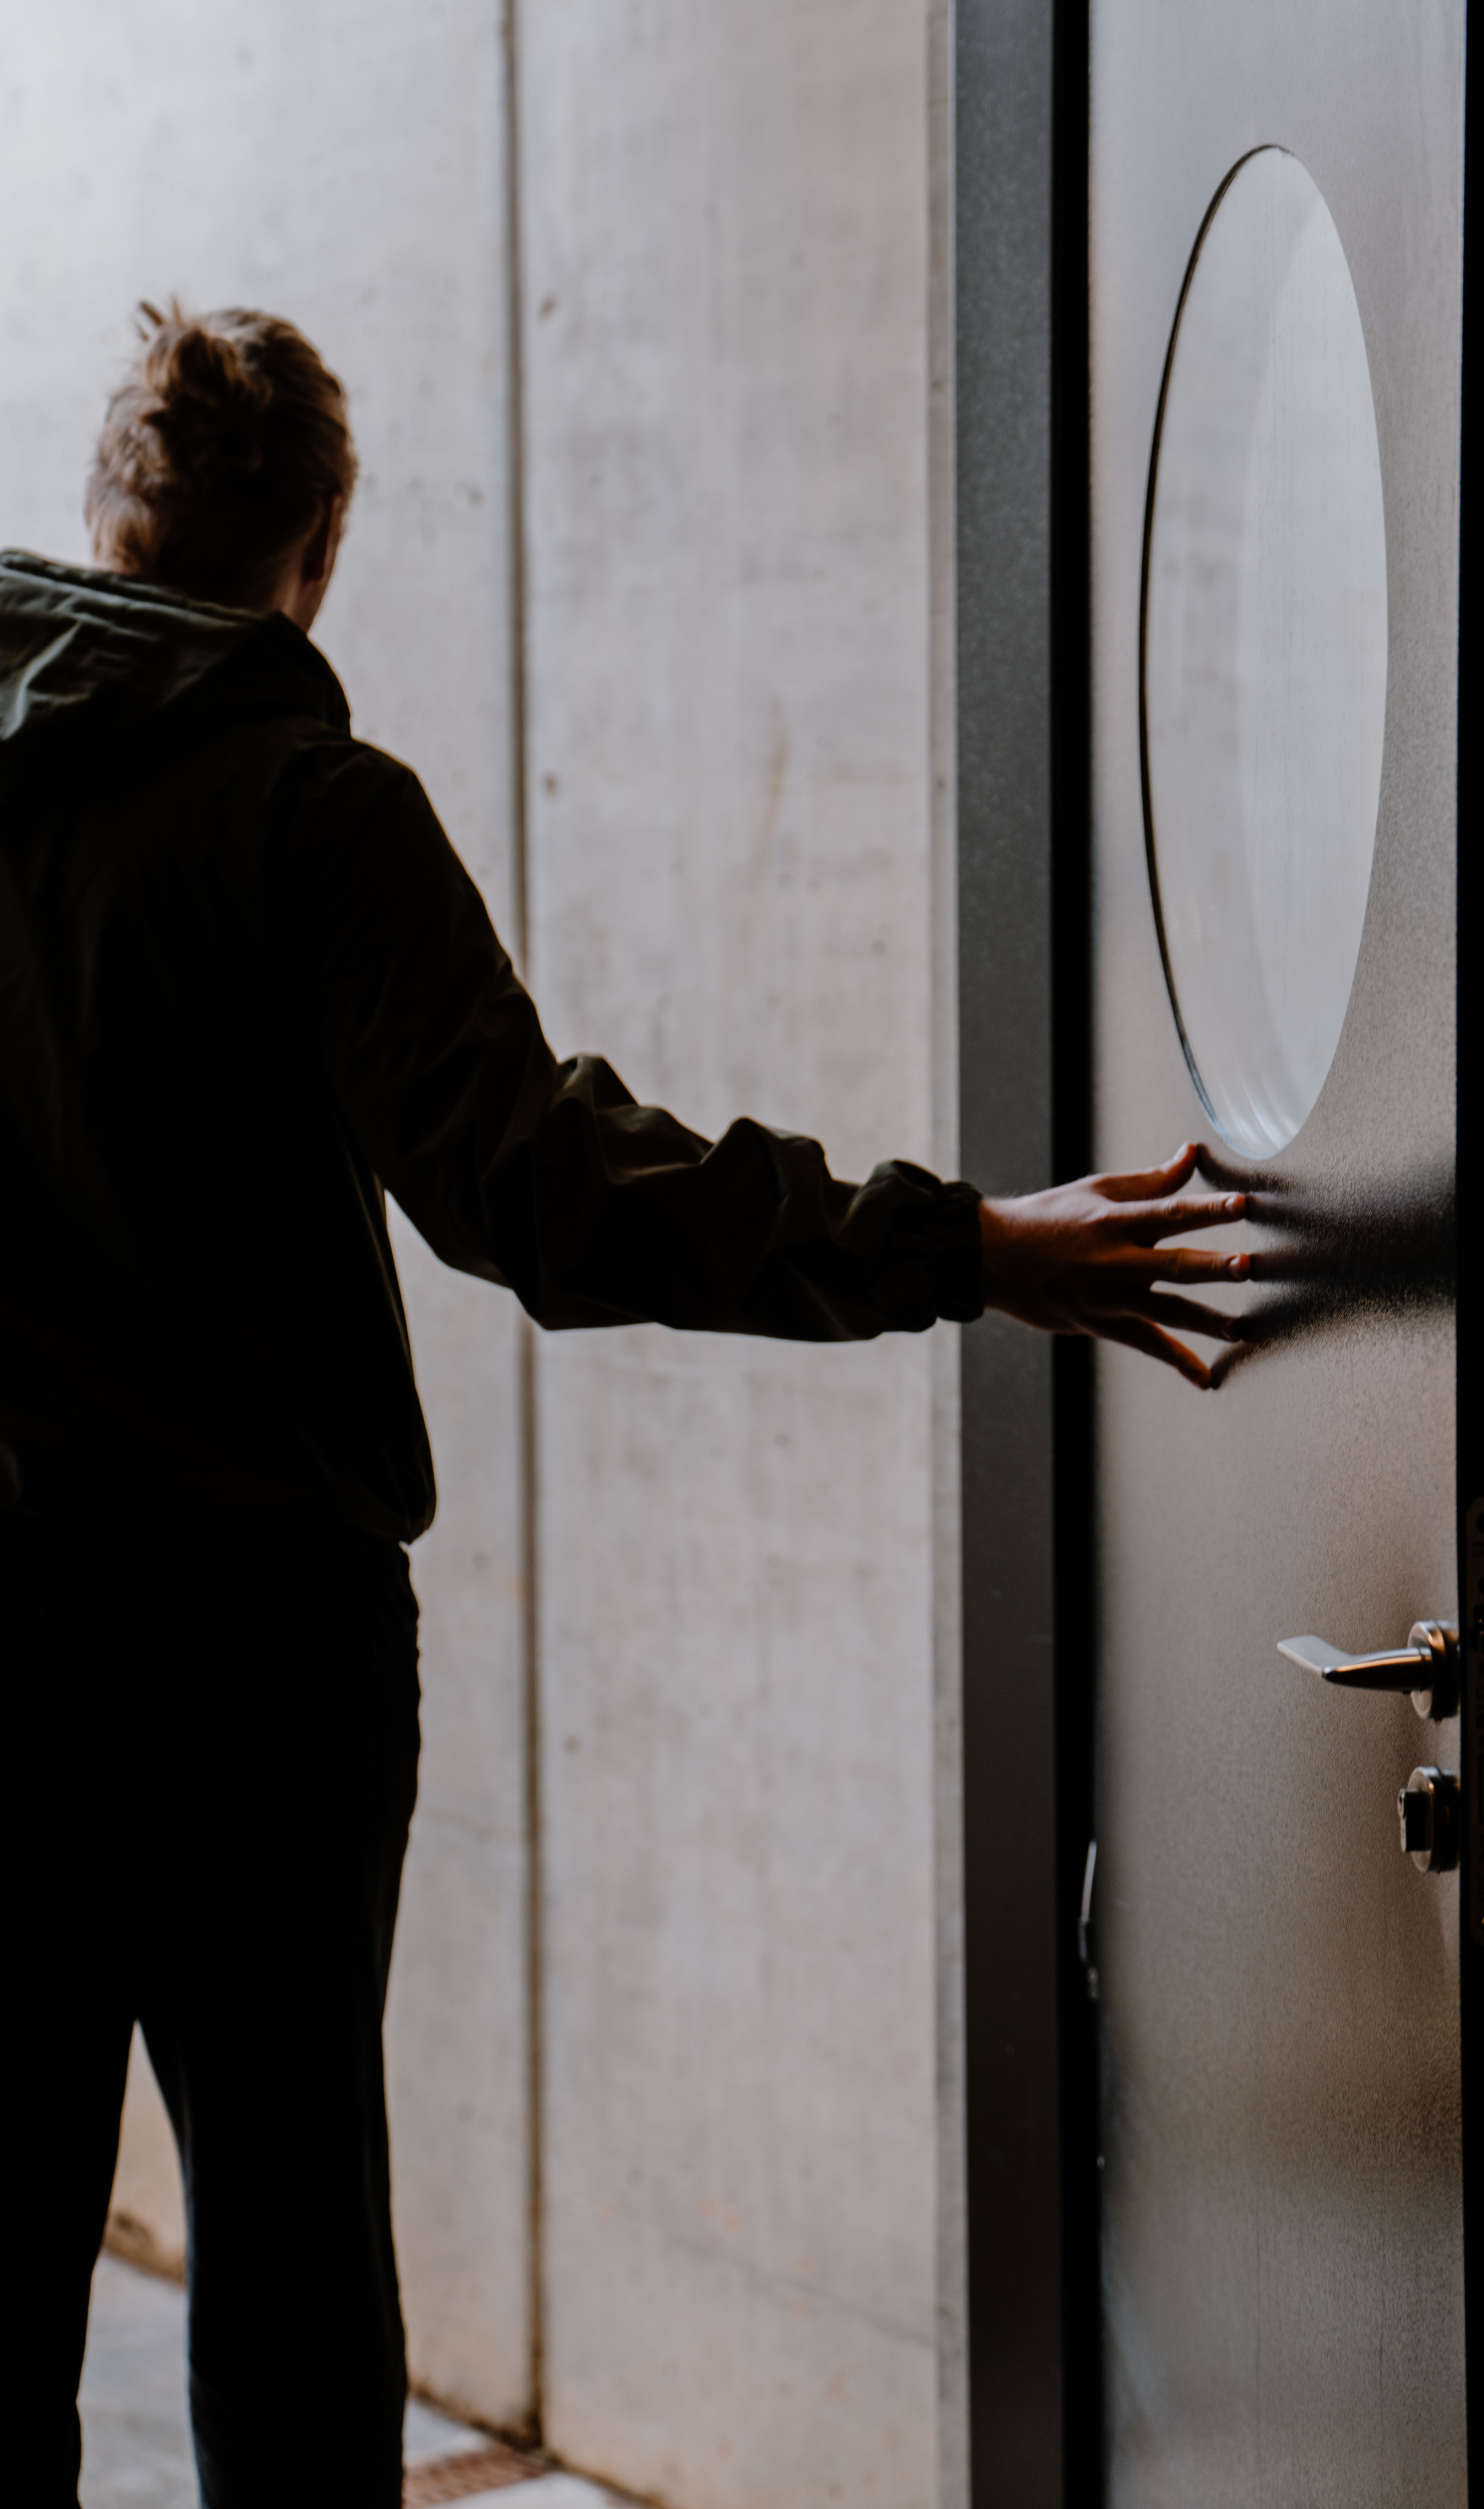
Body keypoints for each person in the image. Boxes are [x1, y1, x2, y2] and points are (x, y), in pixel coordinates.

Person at [0, 303, 1254, 2505]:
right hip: (250, 1665)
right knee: (290, 2266)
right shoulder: (305, 807)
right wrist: (965, 1245)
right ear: (314, 543)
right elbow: (549, 1194)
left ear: (112, 516)